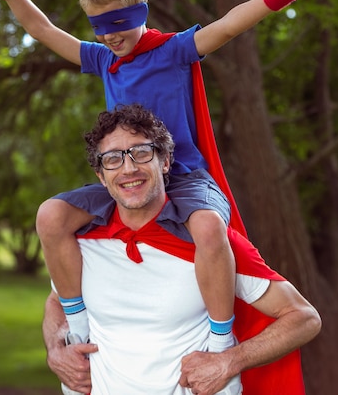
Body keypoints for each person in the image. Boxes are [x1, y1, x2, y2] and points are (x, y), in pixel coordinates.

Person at [0, 0, 316, 391]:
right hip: (126, 175)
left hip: (185, 176)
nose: (110, 36)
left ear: (140, 12)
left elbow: (229, 25)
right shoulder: (103, 59)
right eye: (100, 27)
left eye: (117, 23)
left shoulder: (173, 51)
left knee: (211, 229)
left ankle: (218, 337)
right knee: (51, 215)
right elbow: (40, 28)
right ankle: (78, 322)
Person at [42, 103, 321, 395]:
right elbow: (55, 303)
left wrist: (229, 360)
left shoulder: (209, 243)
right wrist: (56, 348)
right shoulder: (83, 240)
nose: (128, 168)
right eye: (112, 159)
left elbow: (304, 318)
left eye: (141, 153)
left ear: (164, 163)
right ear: (101, 176)